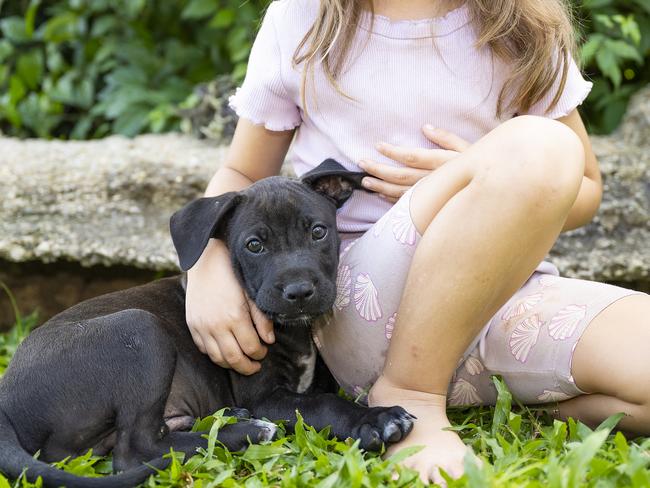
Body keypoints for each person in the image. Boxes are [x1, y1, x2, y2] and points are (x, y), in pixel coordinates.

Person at [185, 0, 650, 482]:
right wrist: (204, 268)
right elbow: (242, 171)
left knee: (542, 154)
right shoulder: (305, 15)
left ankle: (507, 398)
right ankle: (410, 395)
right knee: (541, 145)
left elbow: (586, 188)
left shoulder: (522, 19)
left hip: (497, 294)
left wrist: (480, 171)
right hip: (361, 301)